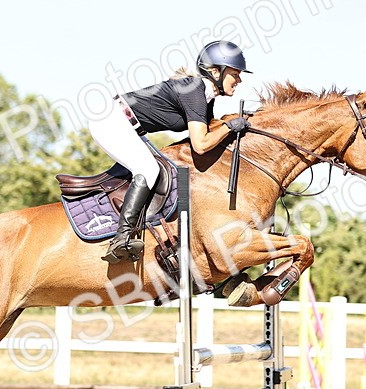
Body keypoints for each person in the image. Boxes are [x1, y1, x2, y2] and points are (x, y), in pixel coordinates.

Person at [89, 40, 252, 263]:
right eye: (236, 73)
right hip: (110, 120)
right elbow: (201, 144)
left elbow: (208, 142)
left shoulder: (205, 98)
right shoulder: (195, 89)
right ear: (216, 71)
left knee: (158, 168)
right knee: (148, 169)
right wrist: (228, 126)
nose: (240, 79)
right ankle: (121, 238)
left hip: (127, 125)